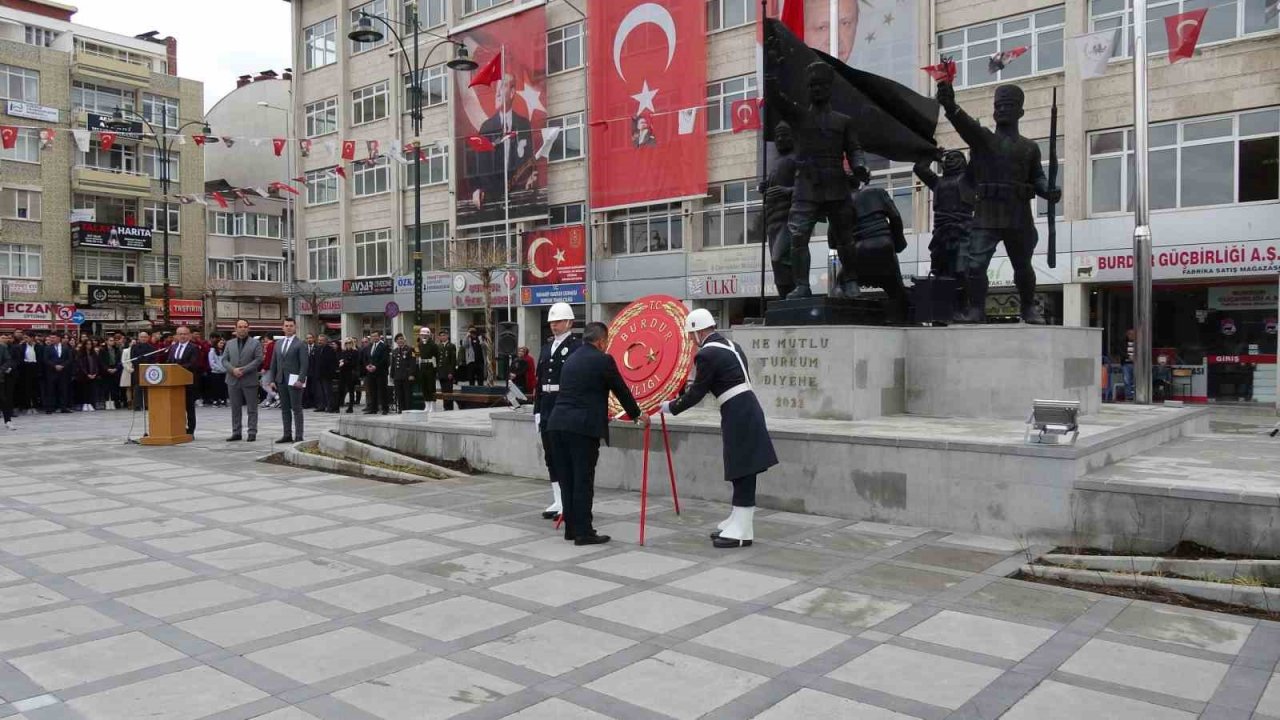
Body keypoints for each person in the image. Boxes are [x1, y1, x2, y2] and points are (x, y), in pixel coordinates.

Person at [936, 80, 1060, 324]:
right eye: (999, 106)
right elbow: (965, 125)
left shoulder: (1029, 148)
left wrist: (1050, 190)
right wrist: (950, 106)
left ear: (1020, 112)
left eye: (1009, 106)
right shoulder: (983, 140)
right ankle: (976, 309)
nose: (1002, 110)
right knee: (975, 265)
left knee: (1023, 266)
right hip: (987, 214)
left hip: (1018, 215)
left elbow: (1038, 177)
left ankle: (1027, 308)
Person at [661, 309, 778, 548]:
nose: (692, 340)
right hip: (745, 408)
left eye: (692, 334)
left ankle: (743, 529)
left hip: (738, 411)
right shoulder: (732, 346)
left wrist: (670, 407)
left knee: (743, 467)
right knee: (740, 465)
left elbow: (697, 392)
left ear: (698, 331)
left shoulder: (707, 354)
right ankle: (738, 518)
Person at [766, 59, 869, 299]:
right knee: (799, 237)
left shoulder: (843, 121)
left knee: (845, 237)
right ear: (807, 89)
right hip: (806, 187)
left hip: (836, 185)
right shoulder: (799, 117)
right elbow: (776, 98)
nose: (817, 90)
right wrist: (771, 68)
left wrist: (860, 166)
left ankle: (852, 281)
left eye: (821, 85)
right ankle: (802, 285)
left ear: (829, 88)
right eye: (812, 86)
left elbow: (854, 149)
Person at [546, 322, 647, 545]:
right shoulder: (603, 360)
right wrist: (638, 414)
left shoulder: (571, 358)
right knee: (582, 480)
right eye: (607, 342)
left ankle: (571, 528)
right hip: (582, 429)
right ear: (602, 341)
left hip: (557, 425)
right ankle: (584, 532)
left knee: (567, 480)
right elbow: (620, 389)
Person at [533, 302, 581, 519]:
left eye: (559, 321)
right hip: (546, 405)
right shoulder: (546, 347)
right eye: (551, 322)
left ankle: (568, 500)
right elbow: (538, 382)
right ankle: (558, 499)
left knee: (564, 454)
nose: (554, 325)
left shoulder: (576, 347)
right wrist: (537, 410)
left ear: (570, 322)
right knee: (550, 454)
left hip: (564, 403)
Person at [269, 318, 308, 443]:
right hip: (281, 380)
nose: (289, 327)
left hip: (295, 381)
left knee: (296, 409)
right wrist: (272, 379)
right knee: (285, 409)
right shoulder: (278, 343)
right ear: (283, 328)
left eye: (291, 325)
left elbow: (304, 364)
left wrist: (301, 379)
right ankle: (287, 434)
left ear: (295, 327)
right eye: (286, 325)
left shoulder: (300, 344)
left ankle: (298, 436)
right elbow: (273, 363)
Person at [223, 319, 263, 442]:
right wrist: (233, 370)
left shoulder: (255, 343)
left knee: (252, 408)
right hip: (232, 379)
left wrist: (243, 370)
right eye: (240, 326)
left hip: (249, 379)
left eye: (245, 326)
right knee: (235, 408)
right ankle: (236, 432)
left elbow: (258, 359)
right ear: (235, 329)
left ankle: (252, 432)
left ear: (248, 328)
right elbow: (224, 360)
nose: (242, 329)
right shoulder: (229, 343)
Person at [168, 325, 202, 436]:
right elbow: (169, 362)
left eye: (185, 334)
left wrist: (177, 368)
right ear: (176, 335)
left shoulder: (194, 348)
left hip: (188, 383)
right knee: (177, 407)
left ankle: (190, 430)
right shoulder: (173, 347)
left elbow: (193, 364)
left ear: (189, 335)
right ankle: (178, 428)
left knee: (189, 408)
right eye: (180, 334)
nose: (182, 336)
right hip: (174, 383)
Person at [42, 332, 72, 414]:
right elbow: (45, 359)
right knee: (50, 390)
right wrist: (54, 366)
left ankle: (63, 407)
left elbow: (69, 359)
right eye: (51, 338)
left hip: (63, 372)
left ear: (58, 338)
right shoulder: (47, 348)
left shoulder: (66, 348)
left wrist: (62, 365)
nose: (52, 339)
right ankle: (50, 407)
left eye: (53, 338)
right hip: (51, 372)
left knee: (63, 390)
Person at [361, 330, 390, 414]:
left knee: (382, 391)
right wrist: (367, 366)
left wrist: (375, 366)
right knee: (372, 391)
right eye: (372, 336)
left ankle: (385, 409)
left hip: (380, 372)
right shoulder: (369, 346)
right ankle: (373, 409)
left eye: (375, 336)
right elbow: (365, 358)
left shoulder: (384, 346)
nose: (374, 338)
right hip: (370, 372)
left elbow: (384, 359)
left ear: (379, 337)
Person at [15, 331, 40, 414]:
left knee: (35, 388)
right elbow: (19, 359)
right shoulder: (21, 347)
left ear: (32, 338)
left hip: (35, 368)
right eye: (24, 338)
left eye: (27, 337)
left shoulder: (38, 346)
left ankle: (35, 405)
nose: (25, 339)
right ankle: (27, 406)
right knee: (26, 388)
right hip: (25, 368)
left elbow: (40, 358)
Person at [389, 333, 416, 413]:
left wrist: (412, 374)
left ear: (404, 340)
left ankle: (408, 410)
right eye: (398, 339)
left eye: (401, 339)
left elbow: (413, 363)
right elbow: (393, 364)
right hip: (397, 376)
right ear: (396, 341)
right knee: (399, 394)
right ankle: (401, 409)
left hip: (406, 376)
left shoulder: (410, 349)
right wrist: (392, 375)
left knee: (407, 394)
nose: (400, 341)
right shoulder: (395, 351)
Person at [130, 331, 156, 411]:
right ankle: (137, 405)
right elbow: (133, 358)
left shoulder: (152, 348)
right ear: (139, 338)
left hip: (148, 370)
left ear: (148, 338)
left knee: (148, 387)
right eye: (142, 337)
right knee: (138, 387)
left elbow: (153, 359)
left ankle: (148, 404)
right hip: (138, 369)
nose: (143, 338)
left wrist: (147, 365)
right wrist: (140, 365)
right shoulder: (134, 347)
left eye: (145, 337)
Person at [310, 335, 337, 413]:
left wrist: (331, 373)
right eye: (319, 340)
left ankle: (329, 406)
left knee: (327, 392)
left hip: (327, 375)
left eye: (321, 340)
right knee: (320, 392)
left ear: (326, 341)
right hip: (318, 374)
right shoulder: (317, 349)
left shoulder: (330, 350)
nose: (319, 342)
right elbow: (315, 362)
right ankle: (321, 406)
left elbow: (333, 363)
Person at [416, 327, 439, 413]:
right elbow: (417, 356)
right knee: (424, 386)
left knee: (431, 387)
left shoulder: (433, 345)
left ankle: (433, 406)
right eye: (422, 335)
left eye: (425, 335)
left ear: (429, 335)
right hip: (422, 366)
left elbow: (437, 357)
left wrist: (436, 369)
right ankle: (427, 405)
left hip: (430, 366)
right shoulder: (419, 344)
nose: (424, 337)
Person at [336, 337, 361, 413]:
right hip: (343, 373)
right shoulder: (343, 352)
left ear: (352, 343)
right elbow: (339, 360)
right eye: (346, 343)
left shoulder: (355, 352)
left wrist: (345, 362)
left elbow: (354, 363)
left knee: (351, 390)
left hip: (350, 373)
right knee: (341, 390)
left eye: (349, 343)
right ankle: (337, 406)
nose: (348, 344)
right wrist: (341, 362)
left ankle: (350, 407)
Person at [74, 339, 100, 412]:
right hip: (84, 376)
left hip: (93, 375)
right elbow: (81, 366)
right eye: (87, 344)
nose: (89, 346)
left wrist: (95, 373)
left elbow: (97, 365)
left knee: (91, 390)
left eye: (90, 344)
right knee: (84, 390)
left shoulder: (94, 354)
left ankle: (90, 403)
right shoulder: (80, 354)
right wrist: (87, 374)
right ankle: (85, 403)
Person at [98, 336, 122, 409]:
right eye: (110, 340)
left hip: (115, 370)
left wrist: (116, 368)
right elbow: (101, 362)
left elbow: (119, 361)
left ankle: (116, 403)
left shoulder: (117, 350)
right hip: (106, 371)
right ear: (107, 341)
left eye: (113, 340)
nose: (112, 342)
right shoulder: (102, 350)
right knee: (106, 388)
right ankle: (106, 403)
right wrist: (107, 369)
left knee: (115, 388)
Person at [437, 329, 458, 410]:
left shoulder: (451, 346)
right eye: (441, 335)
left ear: (447, 336)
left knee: (449, 391)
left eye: (444, 335)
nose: (442, 337)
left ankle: (450, 407)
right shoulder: (438, 346)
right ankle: (445, 407)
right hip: (441, 372)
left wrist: (451, 372)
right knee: (443, 391)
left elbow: (453, 360)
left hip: (448, 372)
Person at [0, 332, 16, 429]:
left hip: (0, 377)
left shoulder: (2, 348)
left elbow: (8, 360)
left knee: (3, 399)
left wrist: (1, 370)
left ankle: (8, 421)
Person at [207, 338, 228, 407]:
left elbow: (226, 361)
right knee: (216, 387)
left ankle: (223, 400)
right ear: (216, 344)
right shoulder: (212, 351)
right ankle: (215, 400)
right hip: (215, 372)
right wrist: (219, 369)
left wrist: (225, 368)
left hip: (224, 372)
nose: (222, 344)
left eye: (223, 343)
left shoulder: (224, 351)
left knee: (223, 386)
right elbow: (212, 363)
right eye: (220, 343)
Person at [260, 337, 278, 408]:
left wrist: (264, 368)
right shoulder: (275, 345)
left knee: (264, 385)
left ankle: (277, 397)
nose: (264, 341)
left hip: (269, 368)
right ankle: (268, 401)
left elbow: (268, 358)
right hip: (273, 368)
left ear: (267, 338)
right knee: (270, 385)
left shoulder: (270, 346)